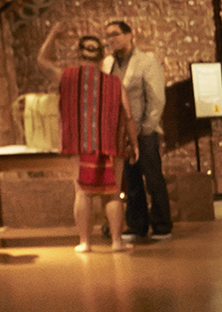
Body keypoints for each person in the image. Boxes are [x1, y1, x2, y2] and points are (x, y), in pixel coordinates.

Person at [37, 26, 130, 254]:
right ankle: (117, 241)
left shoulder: (66, 76)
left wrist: (53, 34)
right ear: (101, 56)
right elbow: (128, 115)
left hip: (79, 142)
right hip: (111, 144)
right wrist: (134, 142)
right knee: (112, 191)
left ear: (80, 54)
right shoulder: (115, 82)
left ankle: (85, 242)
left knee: (82, 192)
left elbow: (41, 60)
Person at [105, 19, 170, 241]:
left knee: (152, 177)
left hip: (144, 129)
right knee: (130, 180)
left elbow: (156, 98)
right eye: (108, 35)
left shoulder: (146, 61)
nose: (111, 39)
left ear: (129, 35)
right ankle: (137, 224)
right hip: (120, 131)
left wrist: (147, 128)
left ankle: (162, 224)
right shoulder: (107, 64)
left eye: (115, 33)